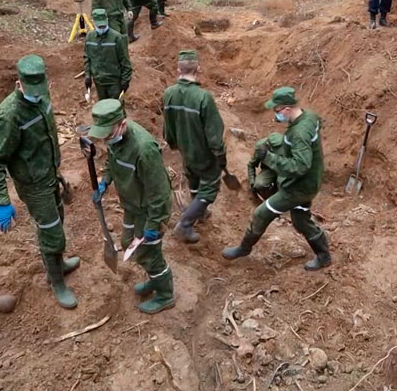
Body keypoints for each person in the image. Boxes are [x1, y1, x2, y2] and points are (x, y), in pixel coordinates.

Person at [0, 55, 80, 309]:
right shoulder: (9, 116)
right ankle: (56, 281)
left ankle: (58, 263)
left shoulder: (42, 96)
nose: (39, 95)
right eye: (33, 92)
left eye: (42, 90)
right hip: (33, 184)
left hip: (49, 173)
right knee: (51, 232)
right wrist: (2, 201)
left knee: (58, 220)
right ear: (19, 84)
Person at [222, 87, 330, 271]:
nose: (275, 115)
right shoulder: (310, 116)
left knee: (261, 213)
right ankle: (324, 255)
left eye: (277, 111)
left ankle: (244, 248)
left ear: (287, 109)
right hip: (311, 181)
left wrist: (268, 158)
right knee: (300, 220)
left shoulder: (299, 133)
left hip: (299, 186)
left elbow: (300, 166)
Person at [88, 98, 175, 314]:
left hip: (150, 209)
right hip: (132, 204)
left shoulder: (144, 150)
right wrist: (104, 181)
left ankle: (165, 294)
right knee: (128, 242)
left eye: (108, 135)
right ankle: (154, 279)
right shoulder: (115, 140)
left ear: (122, 125)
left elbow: (160, 193)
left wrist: (154, 224)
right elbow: (111, 160)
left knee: (148, 252)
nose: (106, 141)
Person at [162, 50, 226, 244]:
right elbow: (214, 131)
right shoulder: (203, 97)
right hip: (204, 153)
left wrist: (174, 143)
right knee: (210, 187)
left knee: (193, 178)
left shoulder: (169, 94)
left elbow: (168, 126)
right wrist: (220, 154)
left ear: (178, 70)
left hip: (185, 149)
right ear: (198, 69)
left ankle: (200, 211)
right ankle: (185, 224)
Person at [84, 8, 132, 101]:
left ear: (107, 21)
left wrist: (125, 80)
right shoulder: (89, 38)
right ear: (93, 22)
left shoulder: (116, 38)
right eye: (99, 26)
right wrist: (87, 76)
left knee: (116, 109)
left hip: (114, 82)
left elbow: (125, 61)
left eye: (103, 26)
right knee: (103, 108)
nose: (102, 28)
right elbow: (87, 58)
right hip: (99, 82)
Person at [247, 132, 285, 203]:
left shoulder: (287, 147)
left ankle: (279, 196)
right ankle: (270, 196)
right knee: (259, 184)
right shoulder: (261, 147)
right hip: (269, 169)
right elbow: (251, 165)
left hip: (283, 169)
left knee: (284, 185)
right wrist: (252, 182)